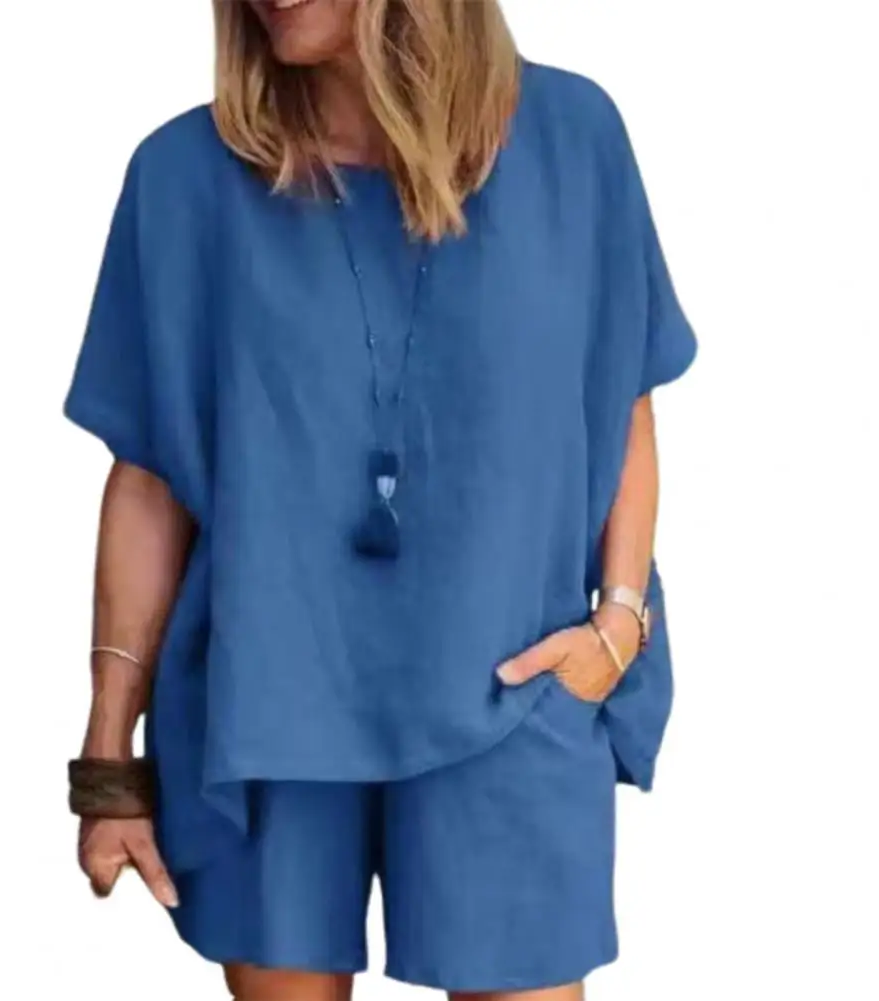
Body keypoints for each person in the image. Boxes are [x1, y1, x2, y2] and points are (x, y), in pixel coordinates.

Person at [63, 1, 697, 998]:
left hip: (511, 684)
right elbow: (150, 476)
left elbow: (621, 397)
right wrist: (108, 756)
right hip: (266, 705)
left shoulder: (571, 142)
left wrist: (617, 624)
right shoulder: (182, 177)